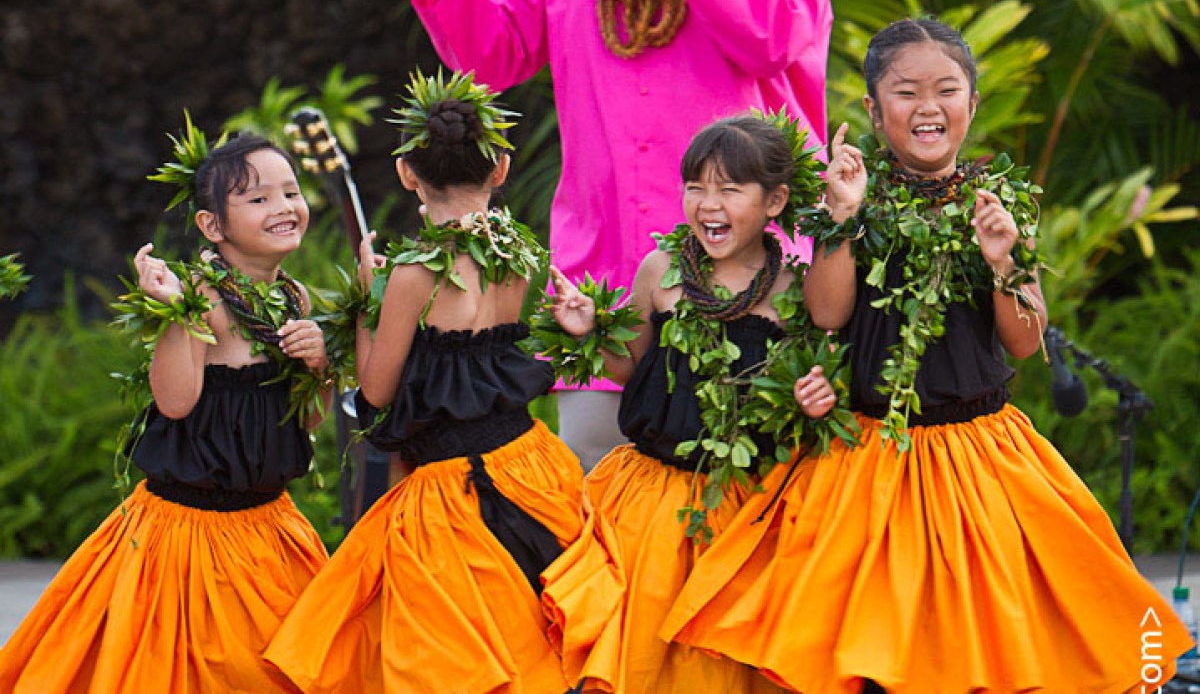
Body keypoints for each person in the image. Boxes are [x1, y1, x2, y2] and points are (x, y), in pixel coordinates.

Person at [661, 19, 1195, 693]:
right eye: (906, 91)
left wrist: (1004, 260)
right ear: (874, 109)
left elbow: (1025, 340)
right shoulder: (849, 196)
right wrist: (845, 218)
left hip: (979, 455)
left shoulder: (999, 205)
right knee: (862, 653)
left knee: (988, 651)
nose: (927, 107)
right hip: (866, 456)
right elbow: (828, 313)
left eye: (946, 90)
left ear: (972, 104)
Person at [409, 0, 834, 471]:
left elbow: (775, 38)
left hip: (754, 283)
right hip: (603, 283)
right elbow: (490, 58)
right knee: (607, 515)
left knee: (755, 515)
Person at [264, 72, 585, 693]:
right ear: (500, 168)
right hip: (530, 467)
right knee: (530, 635)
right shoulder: (521, 253)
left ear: (408, 173)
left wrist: (365, 300)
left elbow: (377, 391)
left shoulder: (412, 274)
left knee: (456, 654)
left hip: (451, 491)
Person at [0, 131, 334, 693]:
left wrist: (321, 363)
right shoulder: (201, 298)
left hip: (271, 530)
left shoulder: (294, 299)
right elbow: (175, 402)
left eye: (290, 192)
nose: (282, 207)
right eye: (258, 199)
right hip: (188, 538)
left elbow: (311, 420)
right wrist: (174, 312)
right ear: (212, 226)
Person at [538, 114, 837, 692]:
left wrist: (815, 397)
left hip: (752, 503)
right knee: (649, 650)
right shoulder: (662, 272)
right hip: (653, 500)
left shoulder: (795, 289)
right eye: (696, 186)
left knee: (726, 660)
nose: (708, 203)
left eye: (729, 188)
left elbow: (817, 380)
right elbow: (635, 370)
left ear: (775, 199)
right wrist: (592, 332)